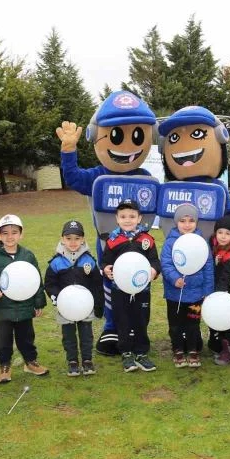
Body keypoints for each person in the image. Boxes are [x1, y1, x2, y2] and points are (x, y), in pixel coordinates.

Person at [56, 90, 157, 356]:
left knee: (138, 284)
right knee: (111, 283)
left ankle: (137, 329)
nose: (127, 146)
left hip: (139, 247)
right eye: (115, 136)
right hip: (108, 244)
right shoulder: (98, 175)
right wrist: (68, 151)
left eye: (137, 136)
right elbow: (74, 178)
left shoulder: (144, 177)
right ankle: (113, 326)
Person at [0, 214, 49, 383]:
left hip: (25, 306)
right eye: (5, 233)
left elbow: (36, 279)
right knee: (3, 340)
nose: (9, 236)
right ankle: (4, 366)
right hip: (2, 306)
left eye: (14, 232)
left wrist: (38, 301)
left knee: (26, 337)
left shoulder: (27, 255)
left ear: (21, 234)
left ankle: (30, 362)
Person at [101, 199, 162, 373]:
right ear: (117, 219)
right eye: (123, 216)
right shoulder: (112, 240)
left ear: (139, 218)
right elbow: (105, 261)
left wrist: (154, 271)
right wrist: (106, 268)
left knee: (142, 319)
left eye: (132, 216)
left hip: (142, 290)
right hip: (119, 290)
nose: (127, 220)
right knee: (123, 320)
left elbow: (155, 261)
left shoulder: (147, 239)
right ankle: (126, 352)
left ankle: (142, 352)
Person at [44, 220, 105, 377]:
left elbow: (97, 284)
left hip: (86, 307)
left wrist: (98, 305)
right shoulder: (56, 262)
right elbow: (50, 284)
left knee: (86, 334)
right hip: (66, 307)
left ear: (83, 239)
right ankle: (72, 361)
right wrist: (56, 297)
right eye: (69, 238)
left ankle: (87, 360)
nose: (72, 242)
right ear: (62, 239)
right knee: (69, 335)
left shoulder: (89, 261)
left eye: (77, 238)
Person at [160, 203, 215, 368]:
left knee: (193, 324)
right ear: (176, 222)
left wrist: (207, 291)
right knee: (175, 324)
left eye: (191, 220)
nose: (187, 224)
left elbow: (208, 267)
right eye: (183, 220)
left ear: (196, 223)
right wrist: (174, 278)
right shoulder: (170, 242)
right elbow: (166, 264)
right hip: (174, 294)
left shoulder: (201, 242)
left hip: (195, 295)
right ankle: (177, 349)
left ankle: (192, 350)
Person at [207, 214, 230, 365]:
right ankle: (217, 344)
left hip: (229, 295)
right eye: (220, 232)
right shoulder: (211, 248)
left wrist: (228, 293)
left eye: (227, 234)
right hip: (213, 293)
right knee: (215, 320)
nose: (223, 236)